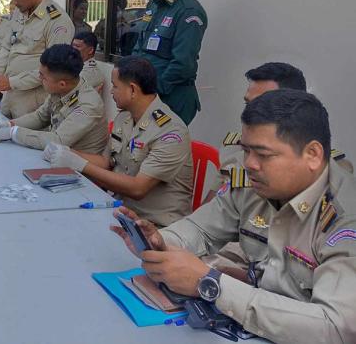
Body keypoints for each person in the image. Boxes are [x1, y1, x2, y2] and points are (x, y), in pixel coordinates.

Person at [112, 90, 356, 344]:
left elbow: (336, 327)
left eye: (263, 154)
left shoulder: (344, 219)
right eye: (246, 151)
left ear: (313, 155)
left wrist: (211, 284)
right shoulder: (255, 184)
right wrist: (161, 240)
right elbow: (201, 228)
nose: (249, 164)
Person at [46, 56, 192, 227]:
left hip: (156, 225)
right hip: (121, 211)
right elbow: (106, 162)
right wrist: (67, 152)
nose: (111, 92)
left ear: (133, 90)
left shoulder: (170, 132)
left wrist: (79, 164)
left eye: (115, 86)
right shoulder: (125, 117)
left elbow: (138, 188)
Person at [206, 62, 308, 203]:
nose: (249, 113)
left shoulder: (317, 168)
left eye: (263, 106)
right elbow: (210, 209)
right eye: (248, 104)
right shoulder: (234, 152)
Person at [132, 0, 207, 124]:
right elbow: (140, 48)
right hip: (146, 96)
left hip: (170, 99)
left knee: (162, 143)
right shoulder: (154, 4)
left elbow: (183, 64)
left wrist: (151, 91)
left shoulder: (189, 11)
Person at [0, 44, 108, 154]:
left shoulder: (88, 105)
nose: (39, 79)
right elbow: (40, 117)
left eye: (43, 77)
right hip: (55, 155)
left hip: (77, 163)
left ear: (62, 84)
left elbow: (58, 140)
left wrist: (14, 133)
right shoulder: (62, 89)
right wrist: (10, 124)